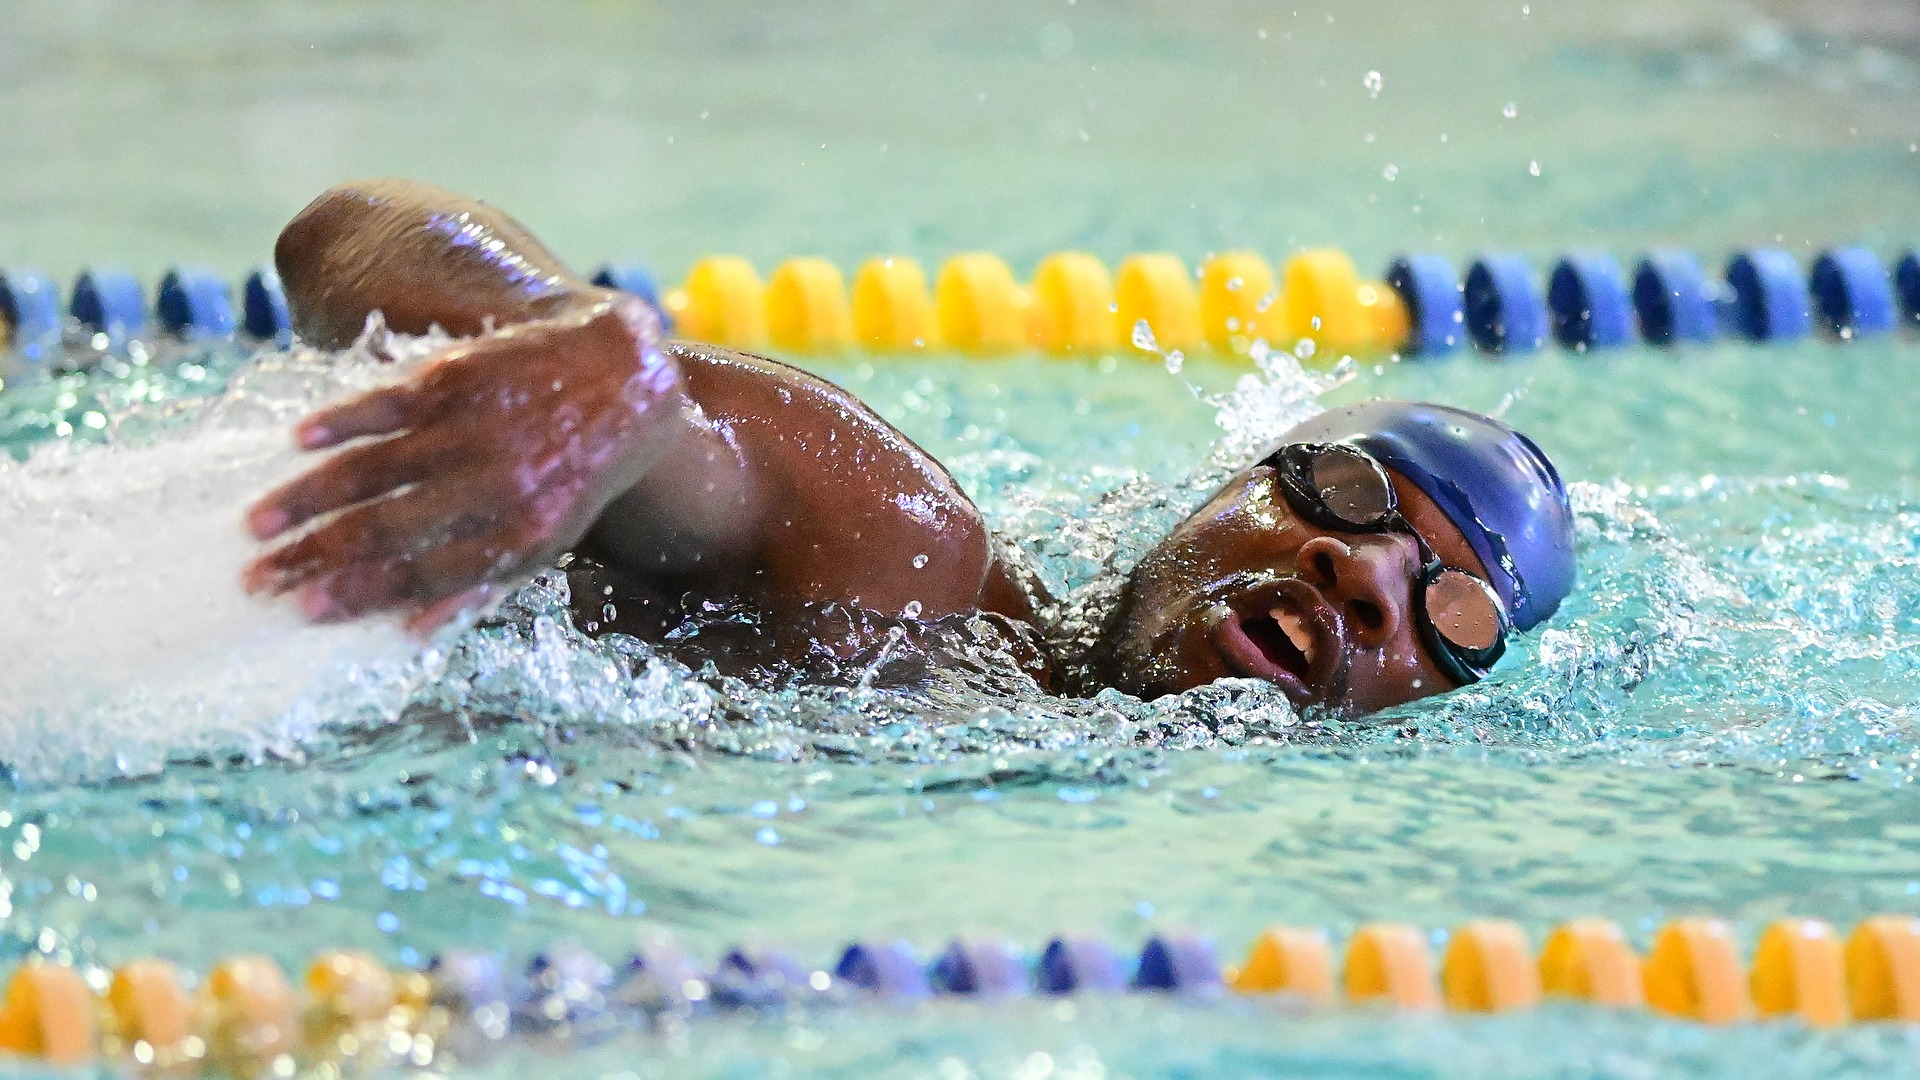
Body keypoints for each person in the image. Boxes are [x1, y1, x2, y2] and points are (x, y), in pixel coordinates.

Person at [243, 179, 1576, 716]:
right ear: (1220, 491)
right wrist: (588, 354)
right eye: (1346, 497)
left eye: (1444, 607)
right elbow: (349, 232)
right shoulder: (903, 556)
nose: (1364, 577)